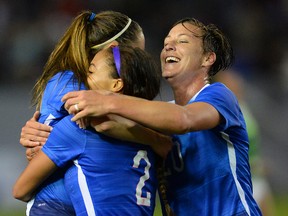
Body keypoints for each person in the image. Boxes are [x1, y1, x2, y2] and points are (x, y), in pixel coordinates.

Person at [61, 18, 263, 215]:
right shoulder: (161, 115)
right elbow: (108, 125)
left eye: (182, 41)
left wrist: (108, 101)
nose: (169, 46)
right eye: (166, 43)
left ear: (207, 58)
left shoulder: (219, 96)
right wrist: (46, 132)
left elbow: (184, 120)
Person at [15, 10, 169, 216]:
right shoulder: (69, 83)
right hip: (56, 205)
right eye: (136, 51)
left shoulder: (100, 91)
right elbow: (88, 126)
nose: (138, 62)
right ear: (115, 49)